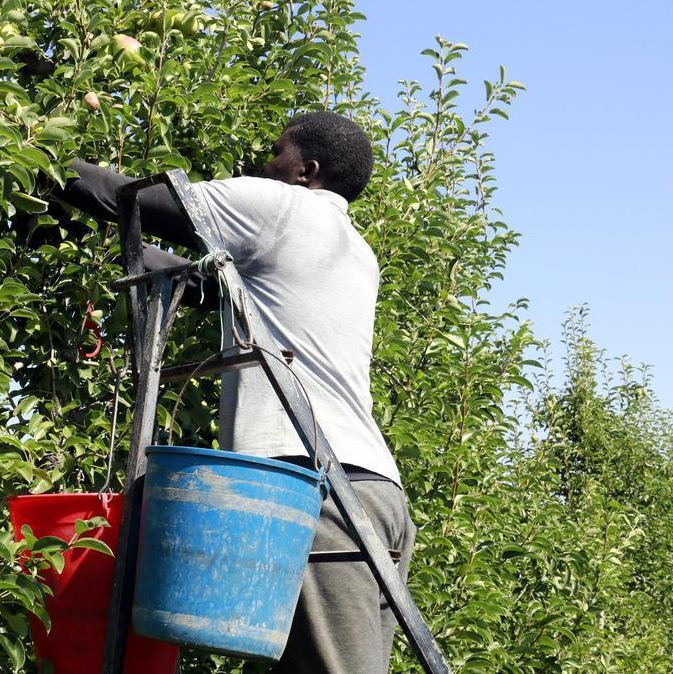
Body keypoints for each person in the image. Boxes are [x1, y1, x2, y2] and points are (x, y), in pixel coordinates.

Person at [45, 111, 415, 673]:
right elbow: (196, 286)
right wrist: (84, 248)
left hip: (315, 490)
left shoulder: (283, 208)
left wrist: (22, 153)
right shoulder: (349, 251)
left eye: (276, 153)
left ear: (305, 171)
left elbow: (132, 198)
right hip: (373, 493)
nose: (264, 164)